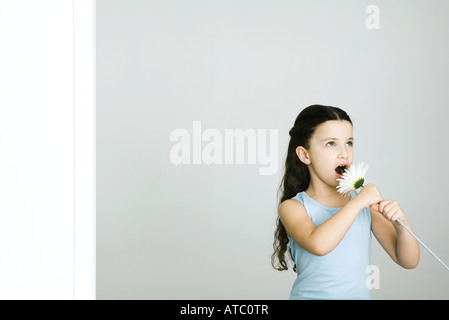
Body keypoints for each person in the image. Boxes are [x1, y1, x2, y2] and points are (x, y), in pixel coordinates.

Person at [271, 104, 420, 300]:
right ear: (305, 155)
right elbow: (319, 245)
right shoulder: (293, 207)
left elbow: (408, 261)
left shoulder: (365, 204)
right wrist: (358, 202)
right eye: (331, 144)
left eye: (349, 143)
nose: (344, 153)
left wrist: (402, 224)